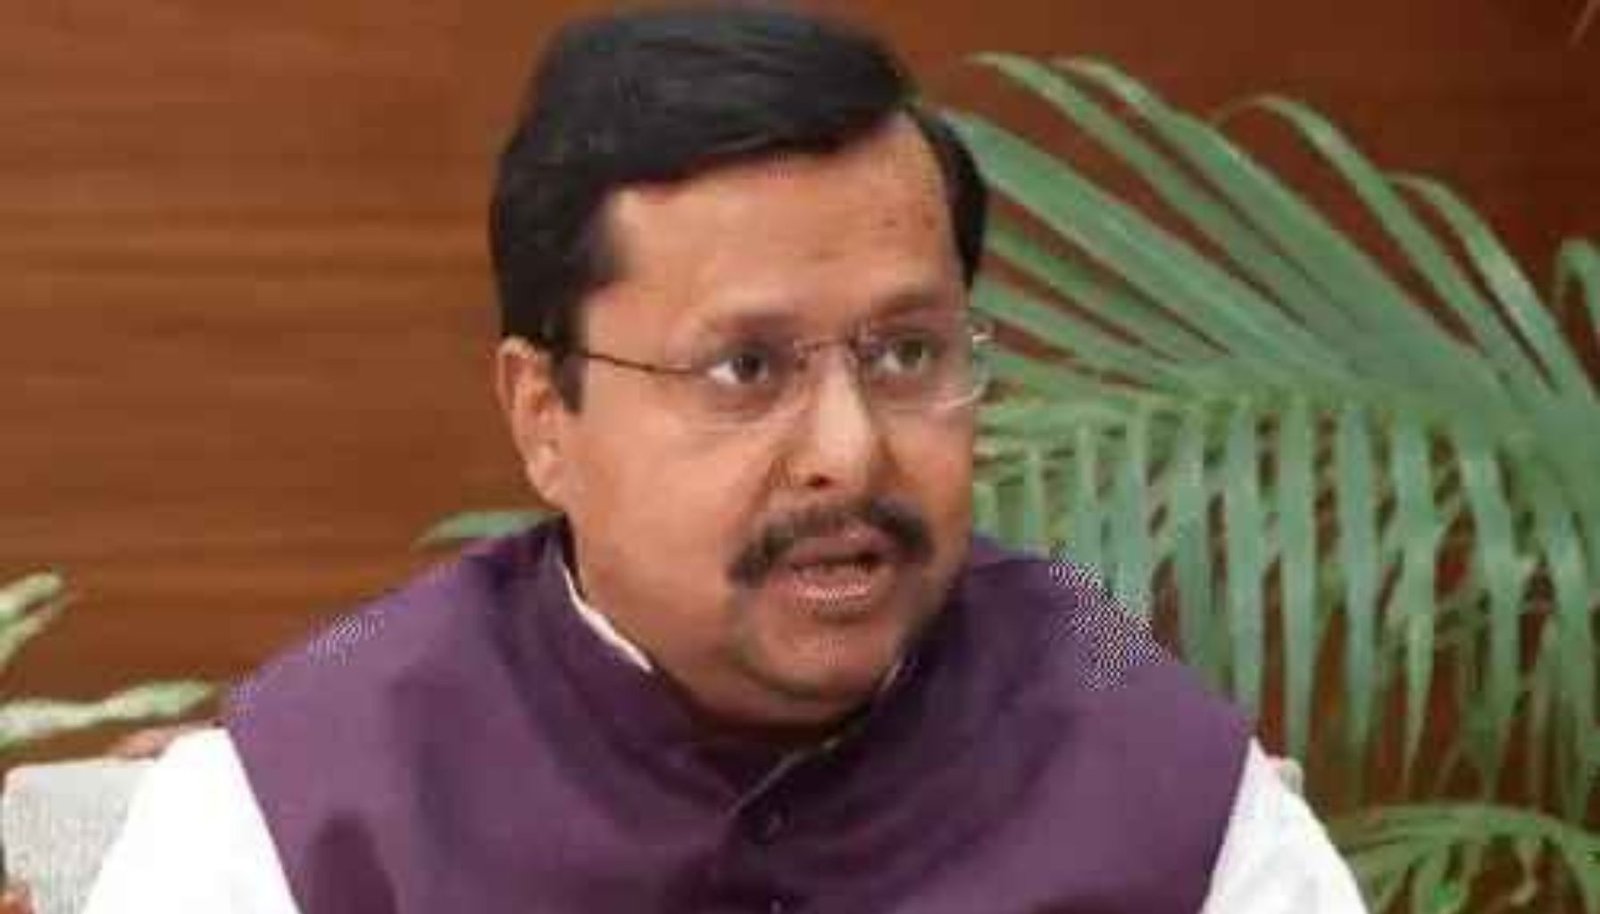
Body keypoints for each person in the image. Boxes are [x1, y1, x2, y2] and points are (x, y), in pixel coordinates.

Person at [83, 4, 1367, 912]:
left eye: (906, 353)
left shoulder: (1153, 766)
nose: (847, 453)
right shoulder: (301, 807)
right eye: (746, 368)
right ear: (543, 413)